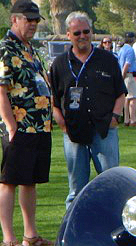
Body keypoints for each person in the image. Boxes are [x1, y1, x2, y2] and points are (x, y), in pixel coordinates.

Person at [49, 11, 126, 208]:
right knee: (76, 190)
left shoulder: (107, 60)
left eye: (86, 31)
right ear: (68, 35)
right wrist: (61, 124)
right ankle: (72, 231)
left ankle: (114, 225)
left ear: (91, 32)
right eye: (77, 33)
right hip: (74, 132)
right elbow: (53, 99)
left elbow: (120, 92)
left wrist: (114, 117)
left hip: (104, 130)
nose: (82, 36)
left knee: (111, 184)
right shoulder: (59, 64)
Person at [0, 0, 52, 246]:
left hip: (39, 126)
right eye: (27, 19)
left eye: (35, 20)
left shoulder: (30, 48)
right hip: (19, 126)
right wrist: (10, 125)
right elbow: (0, 90)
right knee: (9, 181)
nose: (32, 24)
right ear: (14, 20)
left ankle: (30, 235)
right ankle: (9, 240)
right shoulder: (6, 48)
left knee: (30, 181)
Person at [118, 32, 136, 126]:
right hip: (129, 75)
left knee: (126, 98)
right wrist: (122, 77)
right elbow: (127, 64)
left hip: (123, 75)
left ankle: (126, 119)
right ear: (133, 39)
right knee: (133, 98)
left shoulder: (122, 49)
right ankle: (133, 120)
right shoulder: (130, 49)